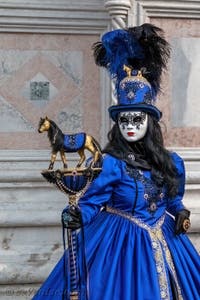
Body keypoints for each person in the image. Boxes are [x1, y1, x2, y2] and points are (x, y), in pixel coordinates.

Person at [33, 24, 199, 300]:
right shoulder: (110, 163)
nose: (130, 125)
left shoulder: (171, 162)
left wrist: (180, 212)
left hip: (166, 236)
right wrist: (76, 216)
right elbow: (89, 203)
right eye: (125, 120)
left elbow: (172, 198)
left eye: (137, 119)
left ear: (150, 122)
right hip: (120, 243)